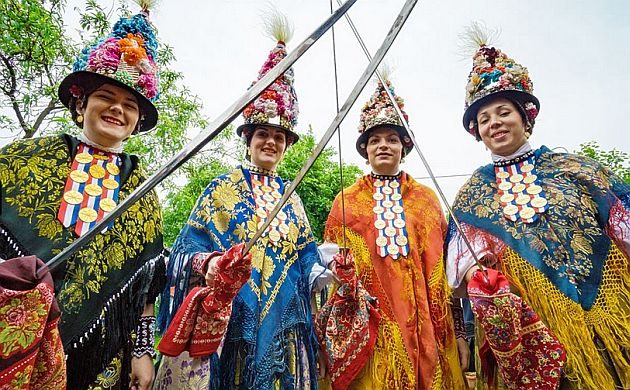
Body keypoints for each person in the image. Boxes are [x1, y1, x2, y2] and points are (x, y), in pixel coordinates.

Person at [155, 12, 333, 389]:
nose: (270, 142)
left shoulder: (293, 196)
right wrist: (215, 263)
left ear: (286, 146)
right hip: (233, 321)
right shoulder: (221, 189)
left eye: (279, 137)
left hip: (289, 324)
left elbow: (306, 256)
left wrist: (324, 273)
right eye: (262, 134)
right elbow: (185, 252)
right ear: (248, 139)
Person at [446, 28, 630, 389]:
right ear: (477, 132)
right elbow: (462, 263)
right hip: (525, 326)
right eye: (485, 119)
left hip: (608, 316)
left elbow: (622, 223)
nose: (495, 123)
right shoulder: (472, 194)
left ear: (525, 117)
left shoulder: (577, 169)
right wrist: (478, 278)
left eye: (503, 113)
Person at [0, 3, 164, 389]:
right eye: (107, 97)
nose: (117, 110)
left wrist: (142, 352)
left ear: (137, 122)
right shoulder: (21, 161)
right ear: (80, 103)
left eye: (130, 106)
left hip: (103, 356)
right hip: (15, 333)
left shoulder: (142, 192)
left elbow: (143, 290)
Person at [319, 76, 465, 389]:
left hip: (426, 325)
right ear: (365, 150)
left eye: (392, 139)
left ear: (404, 147)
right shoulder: (345, 202)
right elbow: (331, 275)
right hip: (370, 322)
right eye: (375, 140)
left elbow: (445, 270)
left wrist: (460, 333)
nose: (383, 145)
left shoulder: (426, 199)